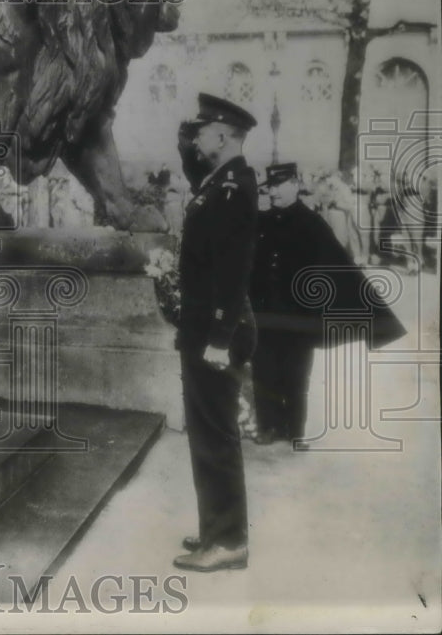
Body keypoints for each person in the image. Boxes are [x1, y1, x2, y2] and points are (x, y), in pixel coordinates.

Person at [251, 162, 407, 447]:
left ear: (295, 185)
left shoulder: (312, 223)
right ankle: (268, 426)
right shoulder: (262, 221)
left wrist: (375, 316)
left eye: (279, 186)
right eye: (270, 187)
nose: (273, 192)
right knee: (264, 369)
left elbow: (338, 264)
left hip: (298, 316)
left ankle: (295, 430)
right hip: (265, 313)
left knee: (296, 372)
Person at [172, 93, 258, 573]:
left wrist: (221, 338)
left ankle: (227, 541)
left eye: (202, 130)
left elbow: (233, 269)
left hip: (215, 331)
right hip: (204, 328)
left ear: (222, 135)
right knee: (205, 433)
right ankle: (216, 528)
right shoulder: (218, 181)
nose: (196, 137)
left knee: (216, 436)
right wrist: (187, 141)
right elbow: (191, 164)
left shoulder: (232, 188)